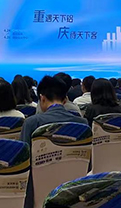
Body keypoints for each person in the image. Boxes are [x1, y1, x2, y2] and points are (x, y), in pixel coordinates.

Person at [20, 76, 87, 208]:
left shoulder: (32, 123)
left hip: (37, 198)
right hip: (75, 194)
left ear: (42, 98)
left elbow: (23, 164)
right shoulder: (82, 123)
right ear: (65, 99)